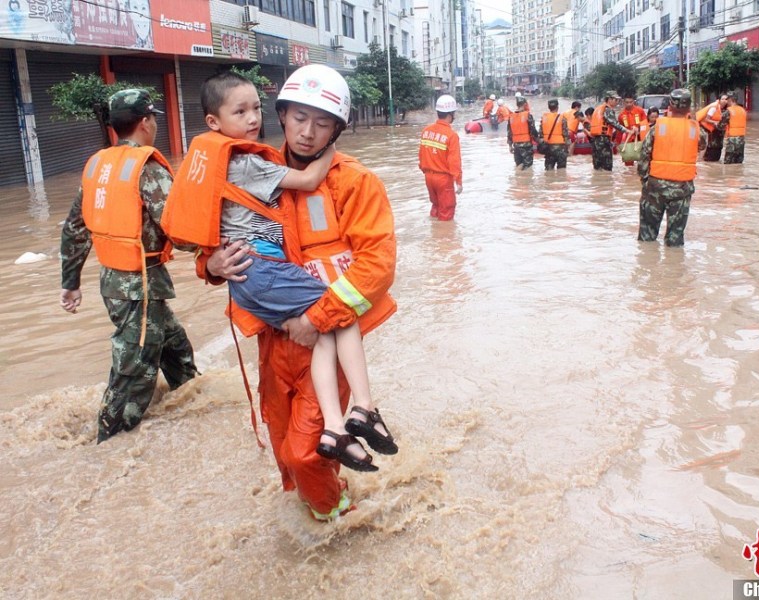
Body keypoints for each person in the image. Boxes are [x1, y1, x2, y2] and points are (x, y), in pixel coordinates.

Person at [195, 65, 397, 522]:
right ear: (281, 116)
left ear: (337, 129)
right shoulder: (249, 169)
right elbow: (210, 236)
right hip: (273, 340)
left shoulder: (355, 182)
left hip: (323, 338)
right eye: (298, 118)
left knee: (305, 452)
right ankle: (320, 504)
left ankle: (338, 518)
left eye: (322, 122)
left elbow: (377, 265)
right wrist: (209, 265)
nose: (307, 132)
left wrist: (318, 319)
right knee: (283, 449)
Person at [59, 89, 198, 443]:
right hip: (139, 287)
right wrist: (217, 249)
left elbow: (76, 228)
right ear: (146, 122)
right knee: (133, 370)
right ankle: (107, 444)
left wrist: (70, 282)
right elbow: (179, 228)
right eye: (153, 118)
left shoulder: (96, 165)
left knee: (177, 350)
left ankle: (199, 409)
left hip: (115, 282)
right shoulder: (146, 166)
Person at [637, 88, 701, 247]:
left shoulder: (657, 127)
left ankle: (648, 266)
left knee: (647, 235)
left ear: (670, 107)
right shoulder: (696, 129)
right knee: (675, 238)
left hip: (655, 187)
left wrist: (645, 180)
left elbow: (644, 156)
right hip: (682, 188)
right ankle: (674, 269)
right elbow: (702, 145)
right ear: (689, 107)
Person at [419, 94, 463, 220]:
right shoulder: (451, 135)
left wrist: (426, 171)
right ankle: (444, 238)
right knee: (446, 212)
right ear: (450, 115)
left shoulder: (426, 131)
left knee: (436, 206)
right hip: (443, 179)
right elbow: (454, 161)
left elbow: (421, 155)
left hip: (428, 177)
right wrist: (458, 181)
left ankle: (434, 234)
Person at [589, 90, 636, 171]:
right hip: (604, 140)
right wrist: (628, 131)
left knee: (598, 166)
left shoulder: (598, 109)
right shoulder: (608, 110)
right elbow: (615, 124)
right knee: (607, 166)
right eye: (615, 100)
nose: (617, 102)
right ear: (610, 99)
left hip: (596, 140)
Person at [507, 95, 539, 170]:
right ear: (525, 104)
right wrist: (538, 141)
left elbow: (509, 133)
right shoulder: (528, 115)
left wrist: (510, 146)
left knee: (519, 166)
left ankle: (519, 181)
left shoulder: (511, 117)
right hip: (526, 146)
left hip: (516, 146)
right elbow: (533, 131)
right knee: (527, 168)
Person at [617, 94, 648, 166]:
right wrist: (618, 144)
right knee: (628, 164)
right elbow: (619, 131)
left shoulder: (640, 111)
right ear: (623, 102)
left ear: (633, 102)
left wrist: (638, 129)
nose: (629, 104)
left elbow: (645, 124)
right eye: (627, 102)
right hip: (629, 140)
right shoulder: (621, 115)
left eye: (631, 102)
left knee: (643, 162)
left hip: (640, 138)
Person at [539, 98, 570, 171]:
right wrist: (567, 147)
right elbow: (565, 134)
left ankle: (549, 182)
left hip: (548, 148)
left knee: (549, 170)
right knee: (561, 171)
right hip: (560, 148)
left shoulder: (544, 118)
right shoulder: (562, 118)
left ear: (548, 107)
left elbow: (541, 134)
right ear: (557, 107)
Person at [697, 94, 728, 162]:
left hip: (708, 129)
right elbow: (706, 119)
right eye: (723, 99)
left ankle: (701, 160)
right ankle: (700, 161)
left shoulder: (723, 109)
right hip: (702, 127)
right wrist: (714, 122)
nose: (724, 101)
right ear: (719, 100)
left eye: (726, 99)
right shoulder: (714, 107)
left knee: (704, 146)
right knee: (703, 145)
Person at [722, 92, 747, 164]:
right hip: (741, 139)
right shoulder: (743, 110)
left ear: (730, 100)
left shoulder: (728, 111)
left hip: (731, 139)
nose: (726, 102)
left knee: (728, 162)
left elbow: (720, 126)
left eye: (727, 100)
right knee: (739, 162)